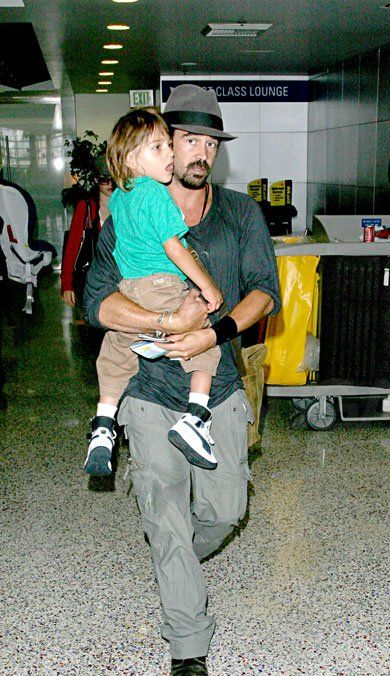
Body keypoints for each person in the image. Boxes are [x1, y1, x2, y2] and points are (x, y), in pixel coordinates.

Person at [83, 84, 281, 676]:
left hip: (215, 386)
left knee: (224, 511)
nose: (199, 152)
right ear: (163, 146)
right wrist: (170, 325)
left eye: (209, 142)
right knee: (164, 514)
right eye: (186, 139)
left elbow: (264, 292)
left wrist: (211, 332)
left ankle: (179, 569)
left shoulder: (240, 214)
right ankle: (187, 640)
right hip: (147, 387)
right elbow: (98, 302)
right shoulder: (127, 212)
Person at [84, 108, 224, 477]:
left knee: (116, 354)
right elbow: (174, 248)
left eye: (168, 146)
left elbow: (107, 224)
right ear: (132, 159)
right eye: (159, 148)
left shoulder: (121, 197)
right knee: (206, 344)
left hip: (129, 290)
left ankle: (103, 424)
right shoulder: (158, 196)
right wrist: (208, 286)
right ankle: (195, 417)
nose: (170, 155)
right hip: (162, 286)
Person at [61, 154, 113, 316]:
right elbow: (73, 246)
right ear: (96, 180)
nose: (110, 184)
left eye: (114, 178)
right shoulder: (87, 207)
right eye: (105, 179)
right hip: (93, 278)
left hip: (120, 277)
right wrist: (66, 283)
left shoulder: (125, 205)